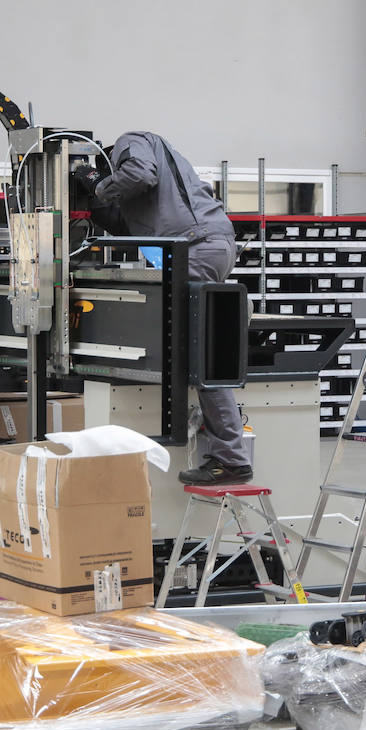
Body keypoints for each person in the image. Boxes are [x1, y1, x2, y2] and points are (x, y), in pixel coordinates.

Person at [86, 131, 252, 485]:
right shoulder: (150, 186)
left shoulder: (131, 140)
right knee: (193, 347)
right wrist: (97, 203)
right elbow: (125, 222)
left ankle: (231, 457)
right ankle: (217, 438)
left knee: (199, 352)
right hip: (205, 245)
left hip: (195, 248)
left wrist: (100, 186)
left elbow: (140, 174)